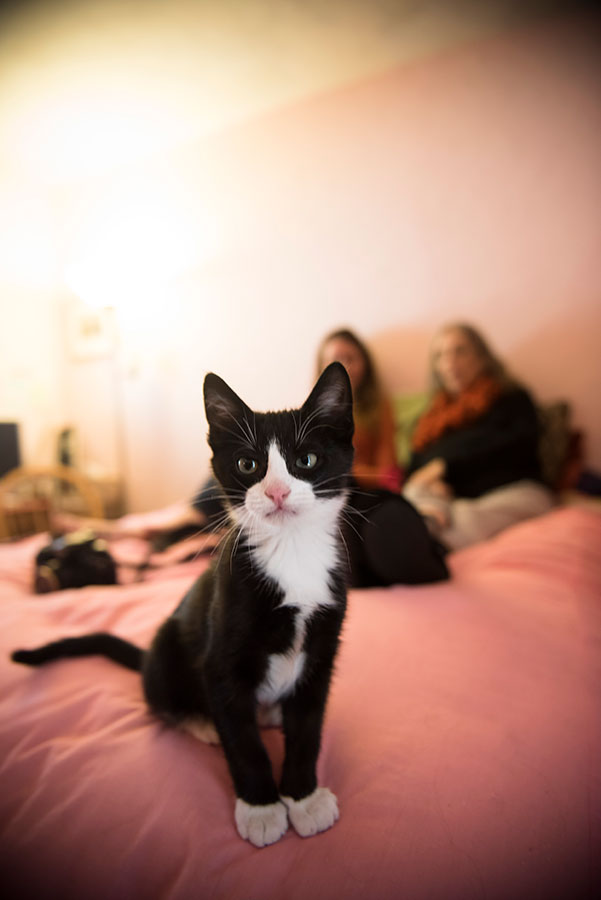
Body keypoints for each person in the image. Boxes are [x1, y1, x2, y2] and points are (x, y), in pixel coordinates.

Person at [402, 322, 555, 550]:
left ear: (482, 357)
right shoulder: (430, 419)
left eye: (460, 351)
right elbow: (414, 472)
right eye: (440, 355)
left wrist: (443, 467)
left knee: (463, 519)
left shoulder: (511, 398)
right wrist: (432, 481)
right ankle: (419, 535)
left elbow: (511, 445)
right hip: (448, 501)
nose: (449, 362)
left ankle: (424, 544)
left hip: (511, 492)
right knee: (413, 495)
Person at [316, 329, 401, 491]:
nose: (343, 367)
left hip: (370, 493)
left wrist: (350, 474)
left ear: (365, 364)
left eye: (350, 358)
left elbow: (387, 474)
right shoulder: (310, 415)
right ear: (321, 368)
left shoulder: (380, 406)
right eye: (334, 361)